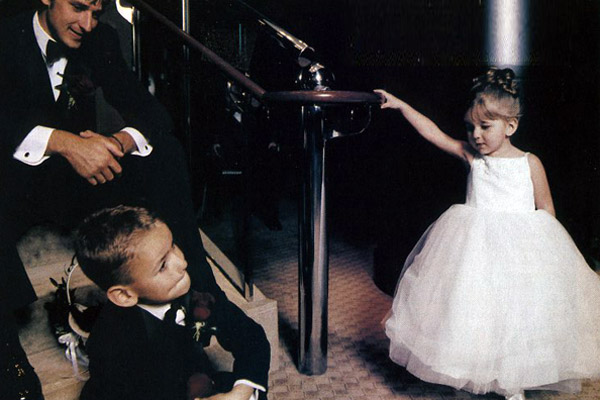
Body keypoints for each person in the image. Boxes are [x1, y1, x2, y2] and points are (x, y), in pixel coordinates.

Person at [0, 1, 221, 398]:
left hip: (73, 184)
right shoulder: (5, 36)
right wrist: (65, 143)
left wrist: (115, 142)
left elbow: (153, 113)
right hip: (10, 183)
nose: (87, 23)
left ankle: (201, 291)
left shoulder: (99, 38)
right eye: (78, 8)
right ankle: (9, 360)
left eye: (96, 12)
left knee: (164, 152)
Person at [375, 68, 600, 400]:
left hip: (520, 255)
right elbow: (434, 134)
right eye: (470, 127)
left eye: (485, 126)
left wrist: (546, 258)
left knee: (516, 317)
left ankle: (513, 383)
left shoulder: (529, 163)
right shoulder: (473, 158)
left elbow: (546, 212)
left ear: (511, 126)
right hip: (475, 252)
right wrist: (401, 105)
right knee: (471, 312)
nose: (475, 135)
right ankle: (468, 376)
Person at [73, 205, 269, 400]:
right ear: (125, 295)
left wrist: (241, 392)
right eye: (163, 265)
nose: (182, 263)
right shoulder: (110, 346)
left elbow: (251, 338)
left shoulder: (198, 290)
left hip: (194, 381)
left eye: (173, 245)